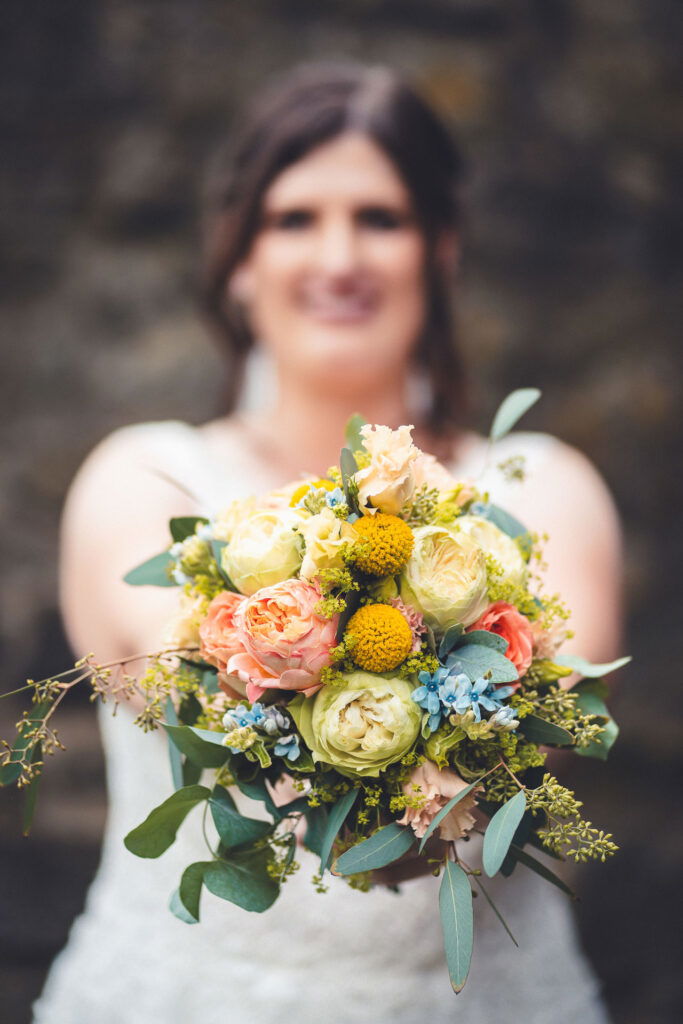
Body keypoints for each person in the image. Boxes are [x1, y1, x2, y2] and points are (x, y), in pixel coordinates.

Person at [33, 63, 622, 1023]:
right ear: (239, 257)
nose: (338, 257)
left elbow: (541, 744)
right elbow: (207, 702)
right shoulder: (144, 486)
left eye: (380, 219)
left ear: (442, 247)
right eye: (294, 218)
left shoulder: (540, 487)